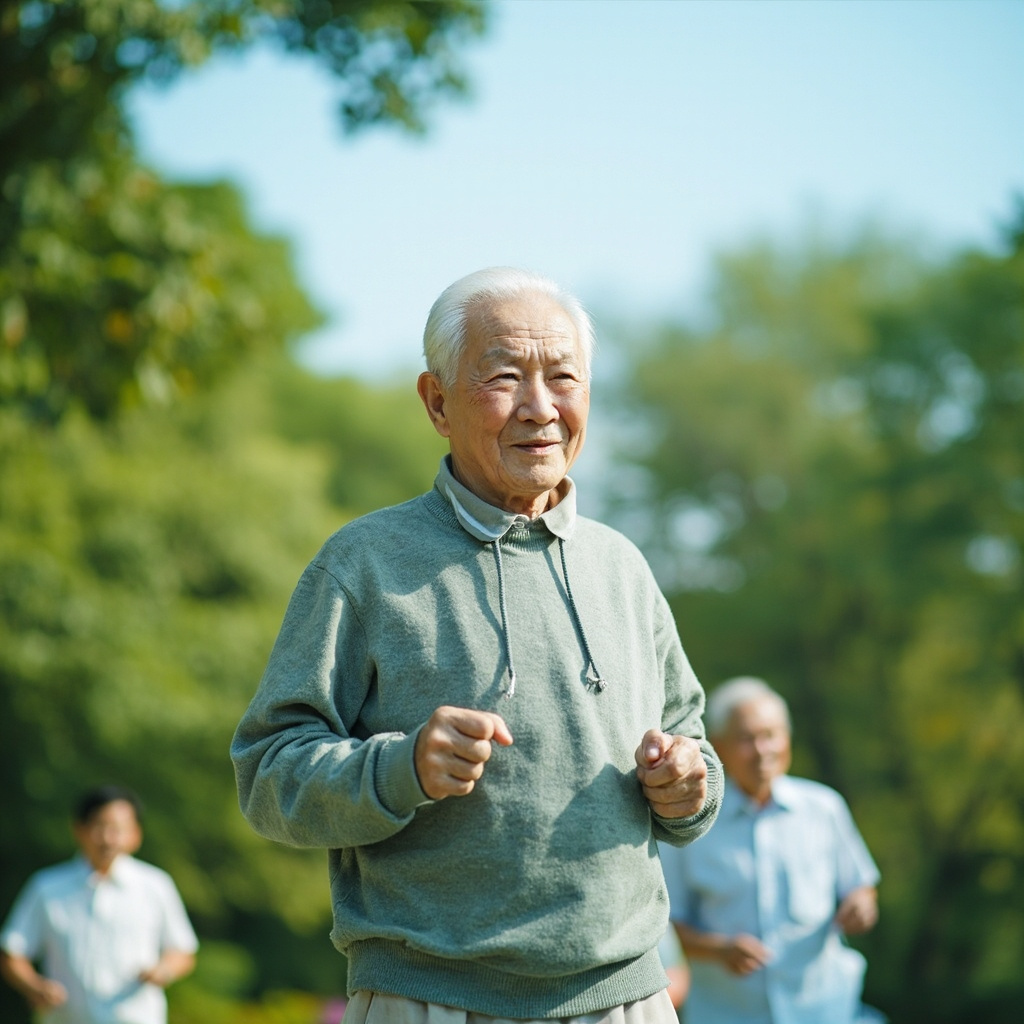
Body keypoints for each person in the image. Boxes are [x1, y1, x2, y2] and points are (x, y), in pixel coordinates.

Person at [231, 266, 724, 1024]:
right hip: (428, 999)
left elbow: (694, 745)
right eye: (503, 377)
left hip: (627, 1000)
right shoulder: (363, 563)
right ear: (436, 402)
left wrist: (688, 785)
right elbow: (269, 776)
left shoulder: (622, 565)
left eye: (564, 378)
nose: (540, 408)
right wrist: (401, 768)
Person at [659, 677, 882, 1024]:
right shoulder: (690, 823)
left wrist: (861, 905)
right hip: (728, 1014)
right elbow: (666, 926)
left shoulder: (824, 808)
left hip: (825, 1009)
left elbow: (861, 887)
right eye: (747, 739)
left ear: (788, 739)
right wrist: (718, 950)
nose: (763, 749)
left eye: (771, 735)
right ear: (718, 747)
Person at [0, 784, 198, 1024]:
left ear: (136, 834)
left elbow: (183, 950)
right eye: (99, 826)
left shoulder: (155, 886)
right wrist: (34, 986)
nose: (107, 838)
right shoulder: (47, 887)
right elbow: (13, 952)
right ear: (79, 830)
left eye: (118, 829)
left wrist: (163, 971)